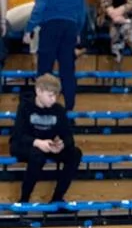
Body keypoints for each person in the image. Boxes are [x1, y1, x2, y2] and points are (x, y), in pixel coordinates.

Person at [24, 0, 85, 111]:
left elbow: (40, 5)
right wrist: (78, 29)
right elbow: (81, 9)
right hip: (71, 26)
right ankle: (69, 109)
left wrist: (29, 28)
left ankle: (42, 108)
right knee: (67, 69)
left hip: (51, 25)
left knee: (45, 68)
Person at [10, 73, 82, 204]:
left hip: (47, 146)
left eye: (56, 95)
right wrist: (37, 142)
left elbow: (68, 136)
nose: (53, 99)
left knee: (75, 153)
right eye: (50, 95)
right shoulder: (25, 107)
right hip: (25, 146)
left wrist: (62, 144)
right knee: (37, 155)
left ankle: (57, 198)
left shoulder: (58, 110)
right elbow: (18, 135)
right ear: (38, 91)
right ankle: (24, 199)